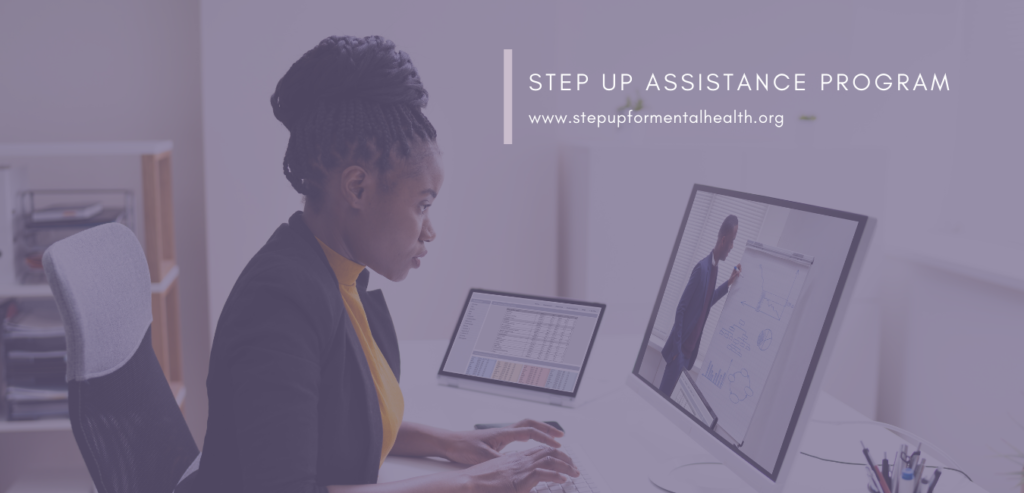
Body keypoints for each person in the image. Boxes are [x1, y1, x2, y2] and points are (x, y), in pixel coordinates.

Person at [184, 36, 578, 493]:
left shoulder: (332, 274)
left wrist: (450, 442)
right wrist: (470, 485)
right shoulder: (281, 301)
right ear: (357, 188)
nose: (429, 231)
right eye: (422, 205)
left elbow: (337, 422)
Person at [658, 215, 742, 396]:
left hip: (688, 356)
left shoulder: (714, 269)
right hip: (680, 354)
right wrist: (677, 351)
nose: (732, 247)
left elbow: (707, 301)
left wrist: (728, 283)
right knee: (662, 400)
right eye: (732, 242)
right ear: (724, 240)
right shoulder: (702, 268)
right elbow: (681, 308)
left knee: (671, 405)